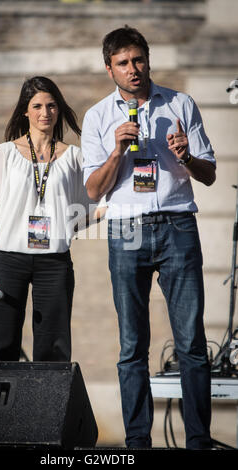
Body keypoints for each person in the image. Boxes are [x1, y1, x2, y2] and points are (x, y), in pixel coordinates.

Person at [81, 26, 216, 450]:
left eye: (138, 59)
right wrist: (117, 150)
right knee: (132, 345)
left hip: (177, 226)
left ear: (148, 60)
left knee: (191, 342)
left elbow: (209, 174)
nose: (133, 69)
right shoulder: (98, 117)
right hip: (127, 229)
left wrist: (186, 155)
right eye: (123, 63)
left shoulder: (180, 103)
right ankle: (137, 442)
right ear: (109, 69)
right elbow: (91, 191)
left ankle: (198, 440)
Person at [0, 76, 95, 362]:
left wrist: (68, 227)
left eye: (52, 105)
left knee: (54, 347)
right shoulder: (5, 153)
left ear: (59, 110)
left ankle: (47, 407)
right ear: (25, 111)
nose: (45, 112)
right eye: (37, 106)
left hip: (54, 261)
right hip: (8, 259)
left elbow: (90, 206)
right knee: (1, 344)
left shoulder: (74, 157)